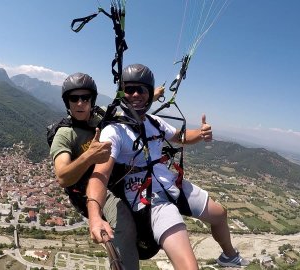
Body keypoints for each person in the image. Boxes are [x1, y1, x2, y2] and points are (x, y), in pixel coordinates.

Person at [86, 64, 249, 269]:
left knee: (219, 214)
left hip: (170, 184)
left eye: (141, 90)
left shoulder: (154, 122)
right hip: (149, 198)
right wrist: (94, 216)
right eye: (129, 89)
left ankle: (229, 256)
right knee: (189, 267)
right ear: (122, 93)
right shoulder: (114, 131)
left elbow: (179, 136)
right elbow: (100, 174)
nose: (135, 94)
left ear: (149, 94)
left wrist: (200, 134)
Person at [49, 72, 165, 269]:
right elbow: (62, 177)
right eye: (73, 98)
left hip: (115, 176)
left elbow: (128, 108)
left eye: (85, 98)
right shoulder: (65, 134)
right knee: (125, 225)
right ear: (66, 102)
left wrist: (152, 94)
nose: (79, 103)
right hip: (89, 188)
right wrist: (89, 156)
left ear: (92, 100)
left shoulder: (102, 115)